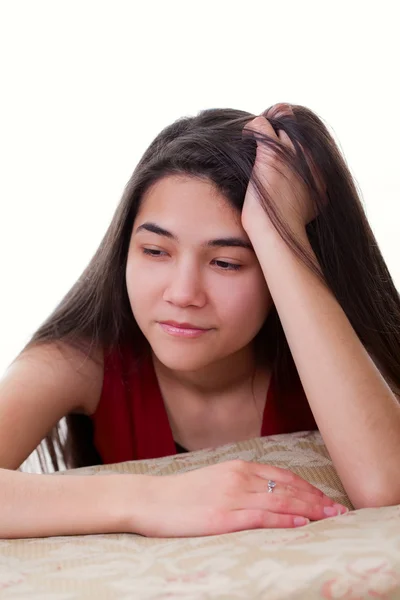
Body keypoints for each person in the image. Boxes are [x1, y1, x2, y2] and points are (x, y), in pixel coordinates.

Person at [1, 102, 400, 540]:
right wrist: (152, 500)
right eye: (155, 252)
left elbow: (385, 485)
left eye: (227, 262)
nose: (183, 294)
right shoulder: (83, 357)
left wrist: (277, 230)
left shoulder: (323, 350)